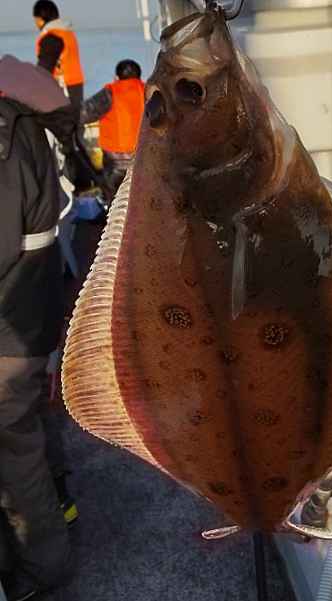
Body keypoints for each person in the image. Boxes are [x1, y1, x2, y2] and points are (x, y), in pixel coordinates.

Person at [0, 69, 73, 601]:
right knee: (25, 438)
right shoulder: (20, 121)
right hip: (28, 317)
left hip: (10, 327)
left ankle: (41, 567)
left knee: (14, 451)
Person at [80, 59, 145, 198]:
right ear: (139, 77)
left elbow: (83, 114)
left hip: (114, 162)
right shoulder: (148, 91)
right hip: (142, 158)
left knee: (113, 198)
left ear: (116, 77)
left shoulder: (111, 92)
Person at [33, 0, 84, 110]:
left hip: (63, 88)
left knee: (64, 118)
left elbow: (43, 70)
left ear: (39, 20)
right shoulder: (67, 33)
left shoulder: (51, 38)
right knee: (75, 116)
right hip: (75, 85)